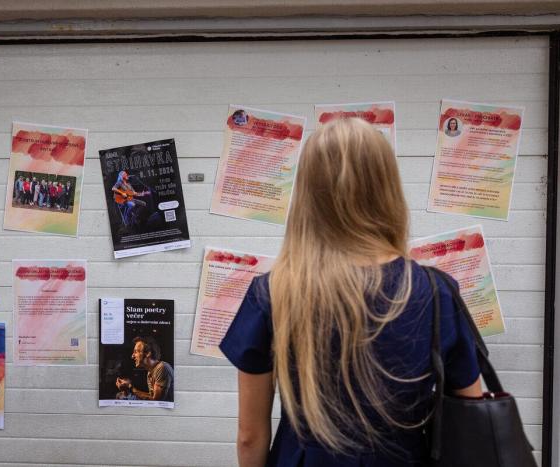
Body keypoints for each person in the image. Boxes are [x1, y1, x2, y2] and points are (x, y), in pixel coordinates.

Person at [219, 118, 482, 467]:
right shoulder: (435, 292)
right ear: (386, 187)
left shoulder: (273, 292)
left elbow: (249, 436)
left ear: (307, 194)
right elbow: (472, 409)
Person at [115, 336, 173, 401]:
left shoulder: (162, 368)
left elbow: (156, 401)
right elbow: (151, 397)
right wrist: (128, 389)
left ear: (148, 353)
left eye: (136, 351)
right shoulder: (150, 372)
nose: (132, 356)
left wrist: (130, 387)